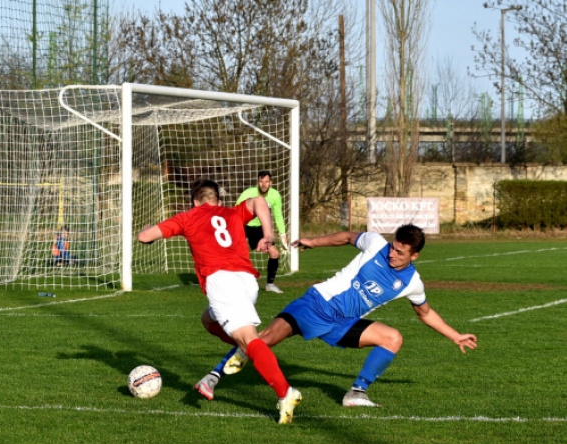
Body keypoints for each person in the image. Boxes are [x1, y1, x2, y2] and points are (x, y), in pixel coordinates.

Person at [197, 224, 478, 407]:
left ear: (414, 256)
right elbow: (346, 236)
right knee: (265, 340)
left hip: (343, 324)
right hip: (317, 303)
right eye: (393, 246)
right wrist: (313, 242)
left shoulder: (412, 283)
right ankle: (213, 377)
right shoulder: (375, 244)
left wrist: (455, 336)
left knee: (393, 338)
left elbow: (425, 313)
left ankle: (356, 393)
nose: (392, 253)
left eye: (400, 252)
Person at [138, 179, 302, 424]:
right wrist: (268, 235)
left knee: (250, 339)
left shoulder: (187, 217)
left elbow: (144, 237)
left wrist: (148, 229)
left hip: (223, 281)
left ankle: (284, 392)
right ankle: (245, 350)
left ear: (195, 202)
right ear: (219, 200)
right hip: (247, 281)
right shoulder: (232, 212)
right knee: (208, 319)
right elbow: (259, 201)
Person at [236, 170, 288, 294]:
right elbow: (236, 211)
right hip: (242, 225)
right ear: (258, 182)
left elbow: (278, 215)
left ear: (271, 182)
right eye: (261, 181)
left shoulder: (275, 195)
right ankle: (236, 283)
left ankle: (270, 285)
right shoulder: (248, 193)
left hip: (260, 228)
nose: (264, 184)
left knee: (274, 253)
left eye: (266, 182)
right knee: (238, 254)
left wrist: (282, 234)